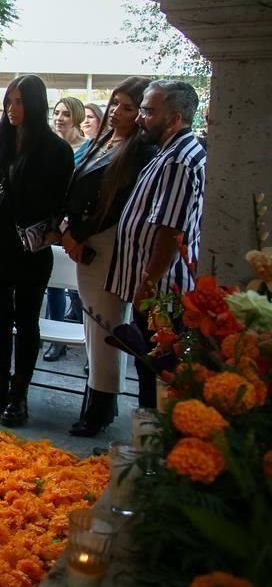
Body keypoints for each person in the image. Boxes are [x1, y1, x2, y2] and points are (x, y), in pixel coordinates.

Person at [0, 74, 74, 427]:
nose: (12, 109)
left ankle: (19, 394)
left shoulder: (56, 150)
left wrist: (49, 230)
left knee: (27, 319)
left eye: (19, 102)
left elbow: (61, 203)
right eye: (9, 102)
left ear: (34, 104)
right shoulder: (0, 143)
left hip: (32, 245)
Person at [60, 77, 156, 437]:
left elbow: (118, 204)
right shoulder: (102, 142)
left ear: (142, 114)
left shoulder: (140, 151)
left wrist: (78, 234)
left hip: (108, 245)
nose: (117, 111)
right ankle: (100, 401)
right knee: (94, 326)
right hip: (83, 239)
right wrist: (66, 228)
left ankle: (98, 409)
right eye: (114, 103)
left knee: (105, 325)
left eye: (128, 107)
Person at [107, 80, 206, 409]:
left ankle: (154, 441)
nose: (139, 118)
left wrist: (147, 282)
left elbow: (169, 230)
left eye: (148, 111)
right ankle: (147, 434)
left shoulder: (178, 160)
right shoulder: (169, 153)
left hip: (162, 291)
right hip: (154, 285)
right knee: (148, 364)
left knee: (158, 367)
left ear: (175, 117)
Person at [44, 96, 90, 362]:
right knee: (54, 284)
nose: (59, 118)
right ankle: (55, 340)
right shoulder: (51, 147)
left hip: (75, 224)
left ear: (77, 118)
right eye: (56, 113)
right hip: (53, 222)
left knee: (77, 287)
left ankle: (86, 342)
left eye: (65, 114)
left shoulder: (89, 148)